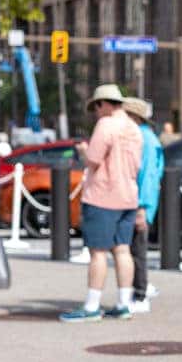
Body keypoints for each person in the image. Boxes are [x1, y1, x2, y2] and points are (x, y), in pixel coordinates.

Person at [59, 84, 143, 323]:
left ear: (105, 103)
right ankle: (124, 303)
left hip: (103, 195)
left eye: (96, 105)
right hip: (128, 195)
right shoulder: (133, 128)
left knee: (97, 253)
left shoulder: (106, 125)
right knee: (123, 249)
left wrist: (84, 150)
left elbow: (94, 160)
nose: (96, 111)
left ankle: (92, 305)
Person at [123, 97, 165, 314]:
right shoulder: (148, 137)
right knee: (135, 250)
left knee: (137, 251)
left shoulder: (144, 140)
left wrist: (142, 207)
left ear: (134, 117)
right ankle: (140, 290)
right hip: (141, 203)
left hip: (139, 204)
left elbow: (148, 176)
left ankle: (140, 295)